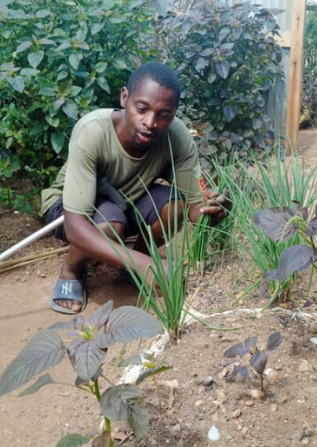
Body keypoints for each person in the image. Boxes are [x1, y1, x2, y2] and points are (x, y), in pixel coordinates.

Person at [39, 62, 229, 314]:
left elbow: (195, 206)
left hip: (126, 202)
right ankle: (72, 270)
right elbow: (75, 227)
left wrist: (212, 209)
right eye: (142, 109)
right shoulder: (92, 131)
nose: (151, 122)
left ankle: (130, 264)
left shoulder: (177, 137)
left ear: (174, 113)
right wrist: (145, 264)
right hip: (68, 207)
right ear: (125, 97)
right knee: (110, 225)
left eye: (164, 114)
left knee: (175, 207)